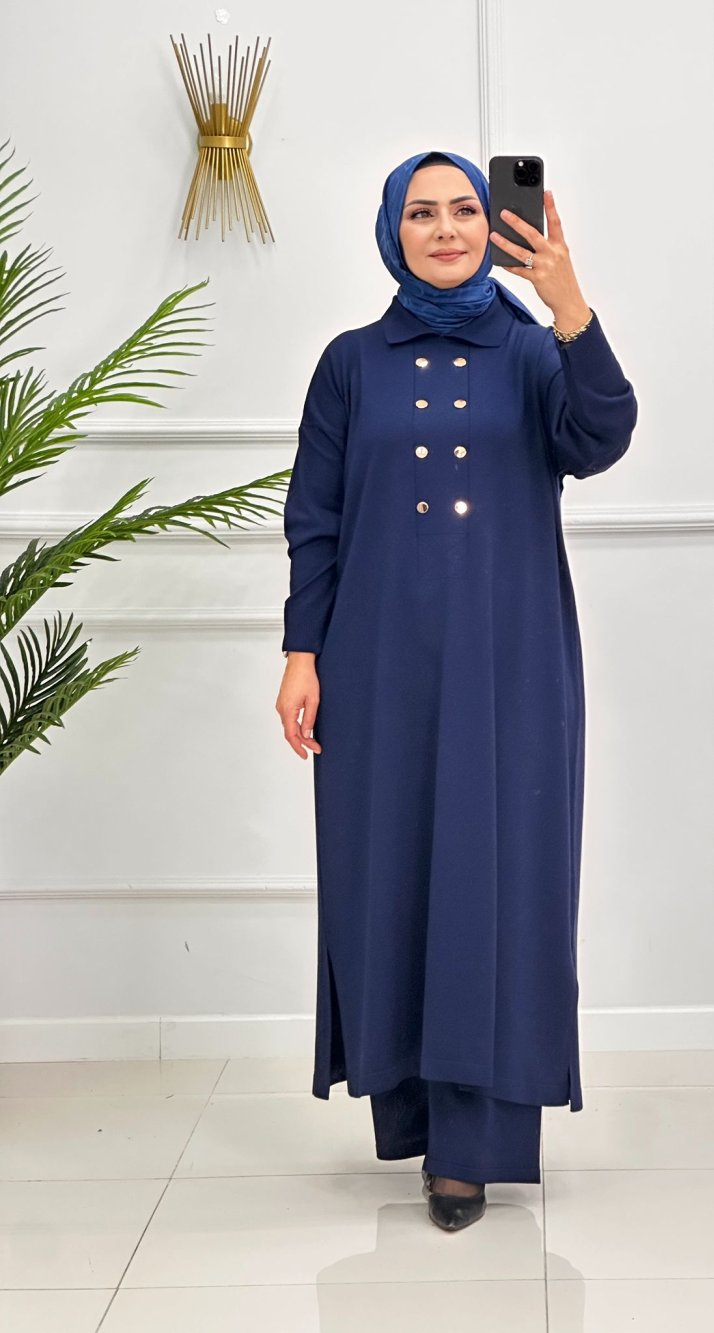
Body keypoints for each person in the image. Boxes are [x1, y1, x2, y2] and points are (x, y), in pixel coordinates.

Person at [276, 149, 638, 1232]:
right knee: (389, 874)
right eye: (422, 212)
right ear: (393, 232)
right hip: (376, 661)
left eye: (466, 210)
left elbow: (603, 436)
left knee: (500, 879)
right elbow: (315, 518)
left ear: (494, 227)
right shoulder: (351, 363)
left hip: (510, 659)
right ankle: (412, 1115)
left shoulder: (534, 351)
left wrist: (569, 304)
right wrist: (302, 652)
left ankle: (471, 1153)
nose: (446, 229)